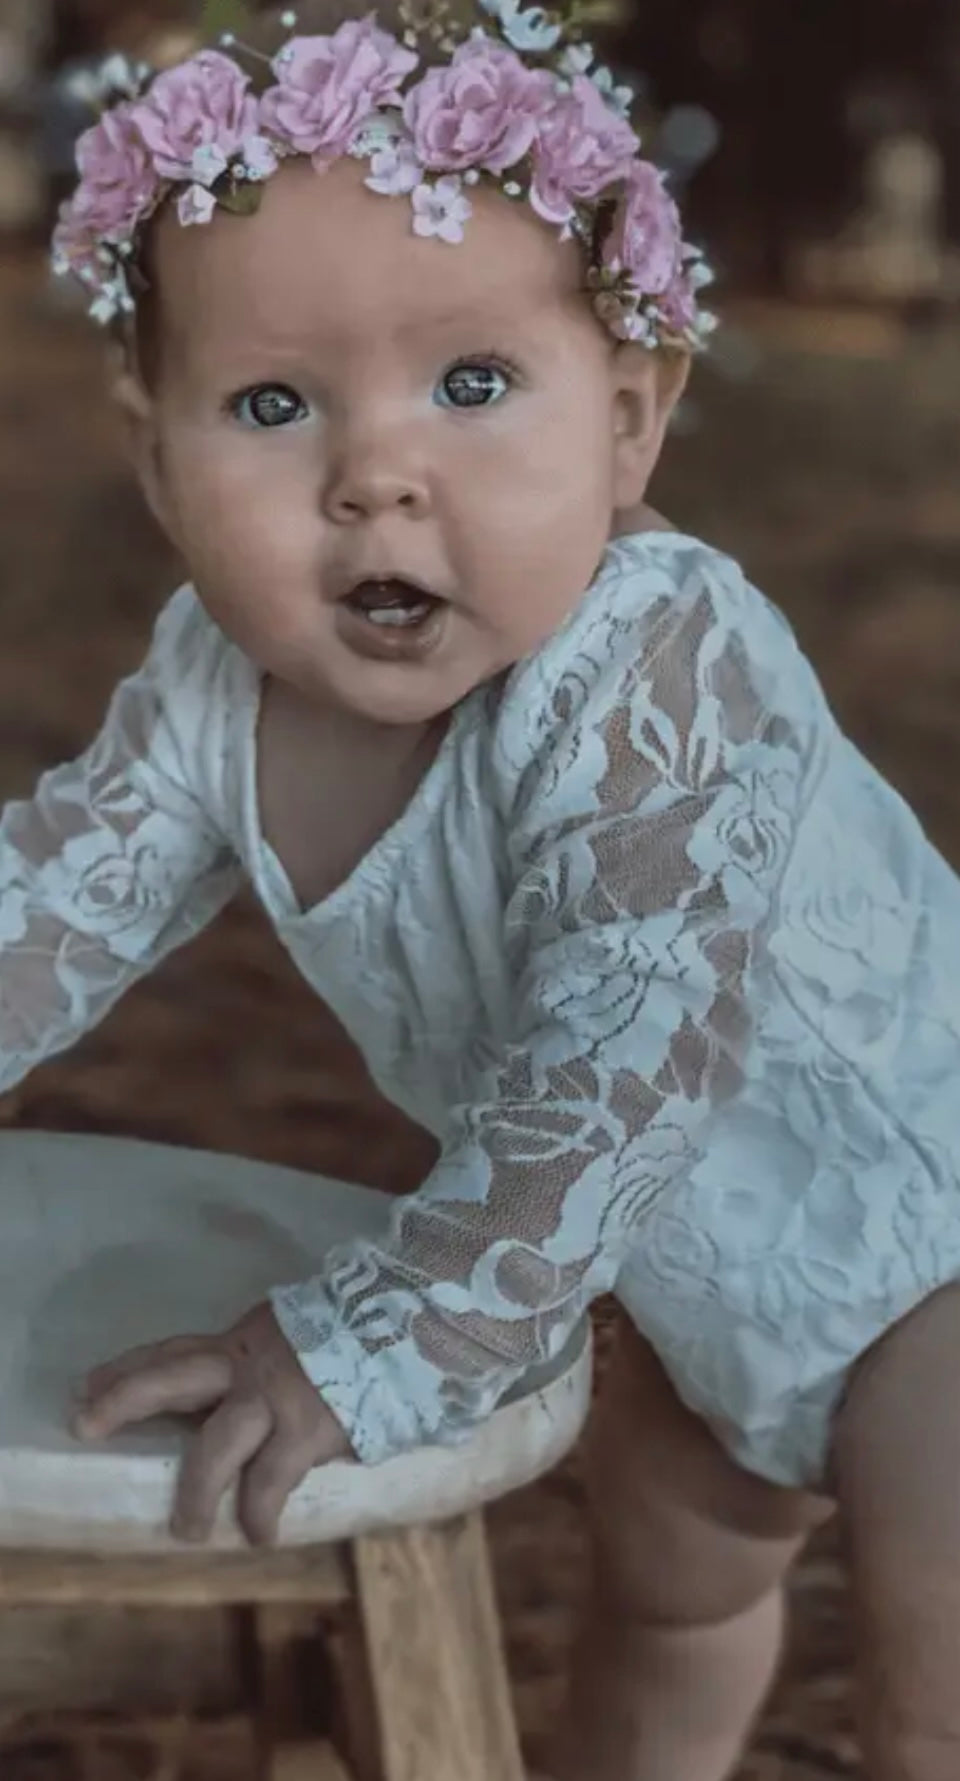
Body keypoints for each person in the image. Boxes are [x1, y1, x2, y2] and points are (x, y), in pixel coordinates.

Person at [14, 1, 960, 1775]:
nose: (378, 473)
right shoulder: (218, 688)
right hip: (686, 1282)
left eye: (471, 386)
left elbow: (622, 1062)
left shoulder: (655, 666)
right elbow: (52, 903)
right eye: (274, 404)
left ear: (627, 421)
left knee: (941, 1705)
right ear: (158, 467)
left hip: (934, 1237)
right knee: (671, 1602)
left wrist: (374, 1337)